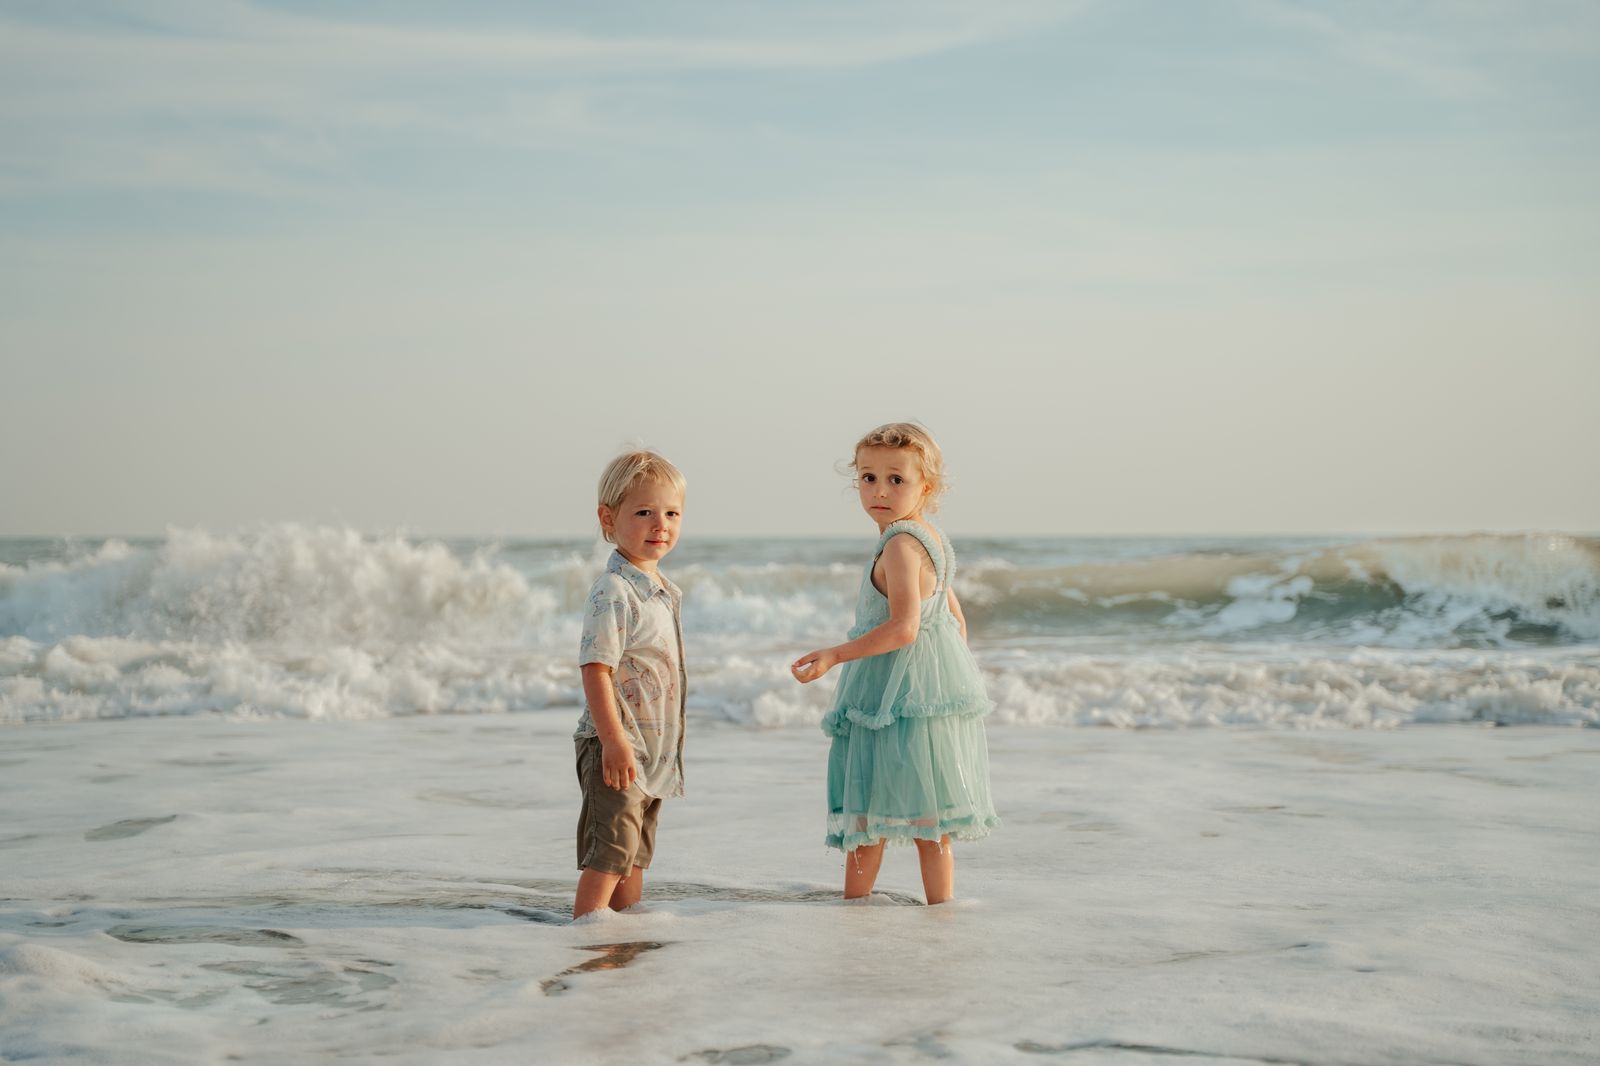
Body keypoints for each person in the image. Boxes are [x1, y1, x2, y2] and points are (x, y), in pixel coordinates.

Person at [791, 422, 999, 904]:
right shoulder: (931, 538)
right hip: (924, 694)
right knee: (932, 819)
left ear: (925, 486)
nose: (879, 491)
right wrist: (942, 682)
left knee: (866, 813)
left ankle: (855, 912)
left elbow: (905, 626)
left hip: (889, 691)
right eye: (868, 478)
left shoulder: (901, 545)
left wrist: (835, 655)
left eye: (896, 480)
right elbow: (954, 619)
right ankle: (941, 914)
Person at [572, 450, 688, 918]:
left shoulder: (663, 589)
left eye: (672, 513)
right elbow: (596, 668)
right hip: (615, 746)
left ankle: (621, 939)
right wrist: (614, 739)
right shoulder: (614, 590)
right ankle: (584, 938)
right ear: (608, 518)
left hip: (651, 751)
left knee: (636, 853)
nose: (660, 523)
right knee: (610, 852)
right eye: (644, 512)